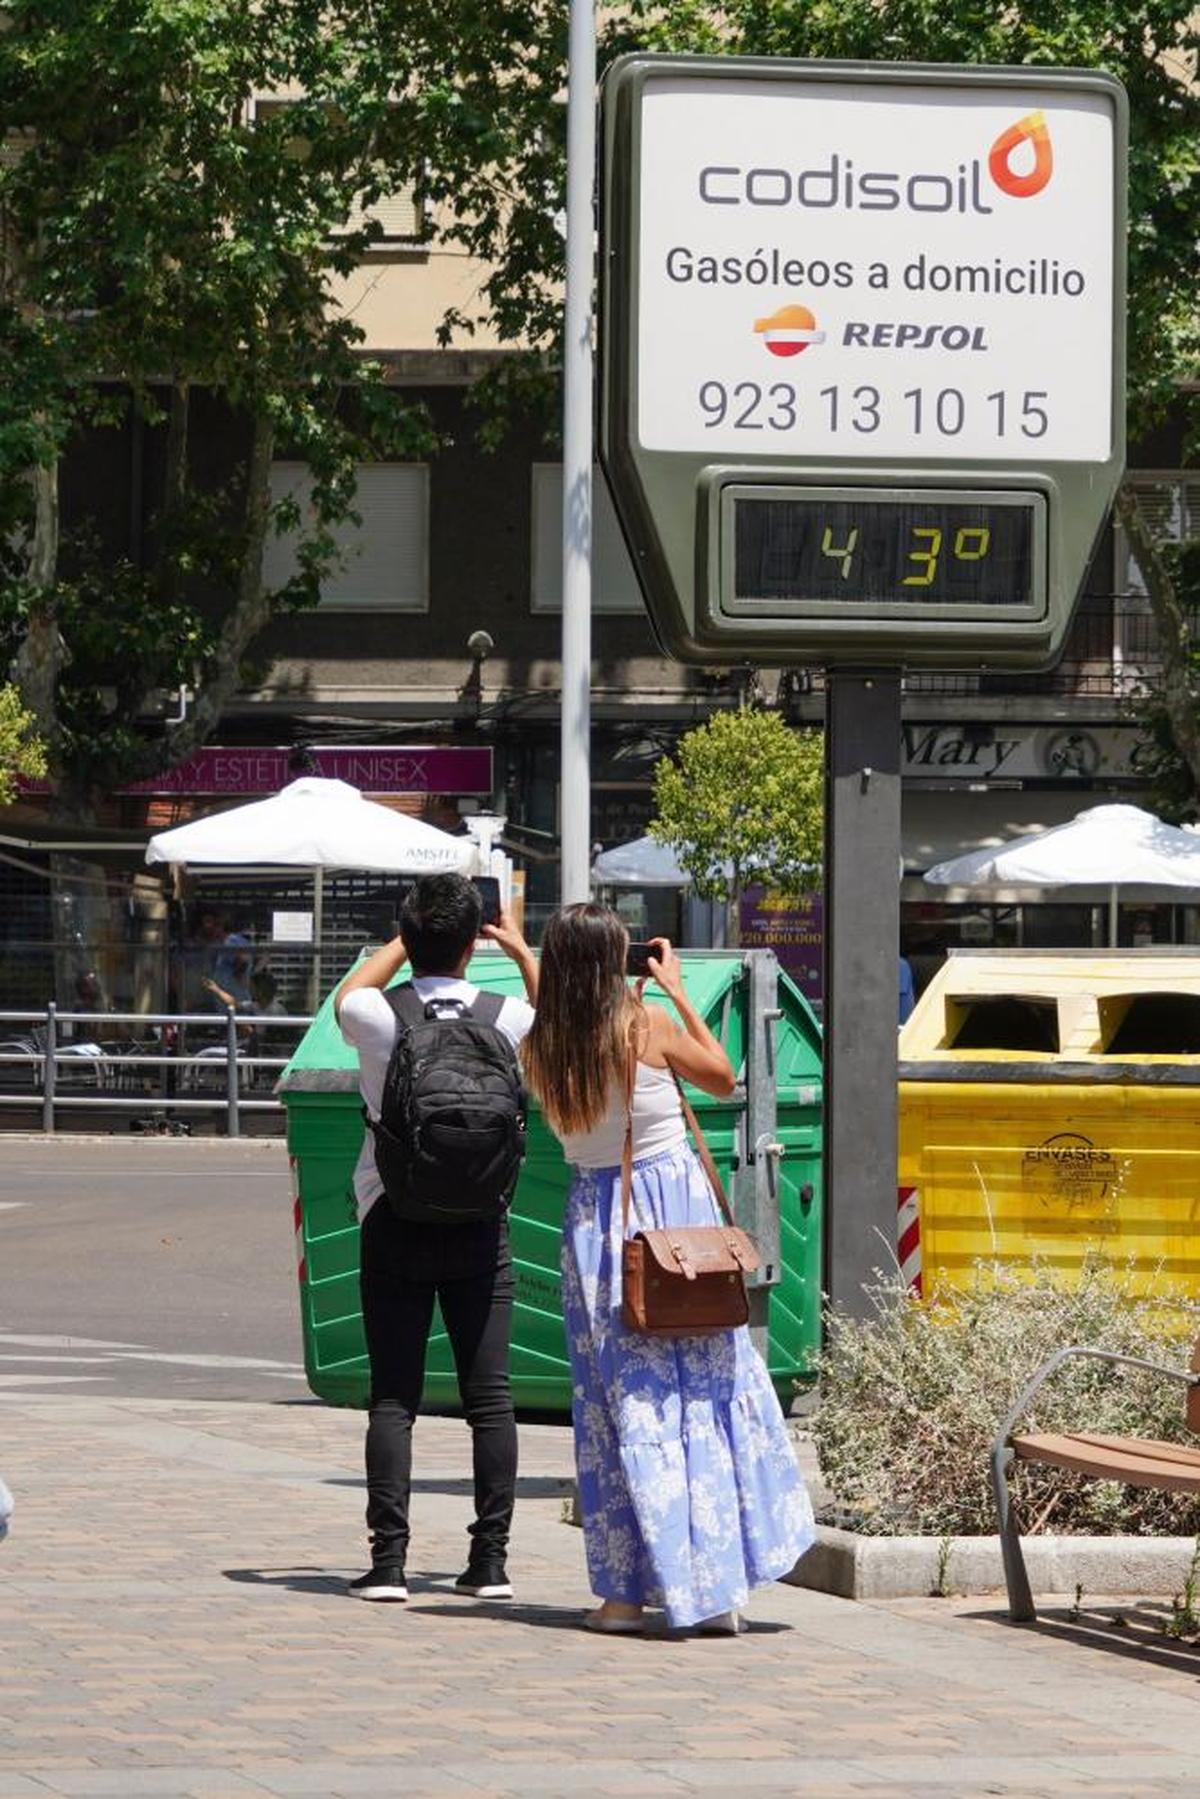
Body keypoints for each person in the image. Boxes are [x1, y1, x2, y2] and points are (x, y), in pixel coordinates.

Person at [522, 905, 815, 1636]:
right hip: (668, 1226)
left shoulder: (541, 1044)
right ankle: (711, 1593)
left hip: (595, 1233)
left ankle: (623, 1596)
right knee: (699, 1398)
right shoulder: (644, 1028)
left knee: (616, 1410)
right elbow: (721, 1078)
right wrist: (676, 990)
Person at [335, 873, 537, 1604]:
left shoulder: (377, 1016)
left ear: (409, 935)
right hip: (483, 1223)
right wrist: (512, 945)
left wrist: (401, 940)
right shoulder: (508, 1015)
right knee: (491, 1397)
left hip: (394, 1214)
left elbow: (344, 995)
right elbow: (552, 1010)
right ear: (473, 938)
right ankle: (490, 1562)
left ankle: (388, 1565)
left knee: (394, 1398)